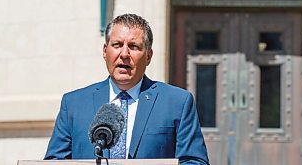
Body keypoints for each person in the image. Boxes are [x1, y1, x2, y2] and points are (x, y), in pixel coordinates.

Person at [45, 13, 209, 164]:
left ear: (148, 56)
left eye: (134, 46)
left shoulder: (177, 102)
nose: (124, 54)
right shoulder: (74, 104)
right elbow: (54, 161)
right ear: (105, 51)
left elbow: (195, 162)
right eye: (117, 45)